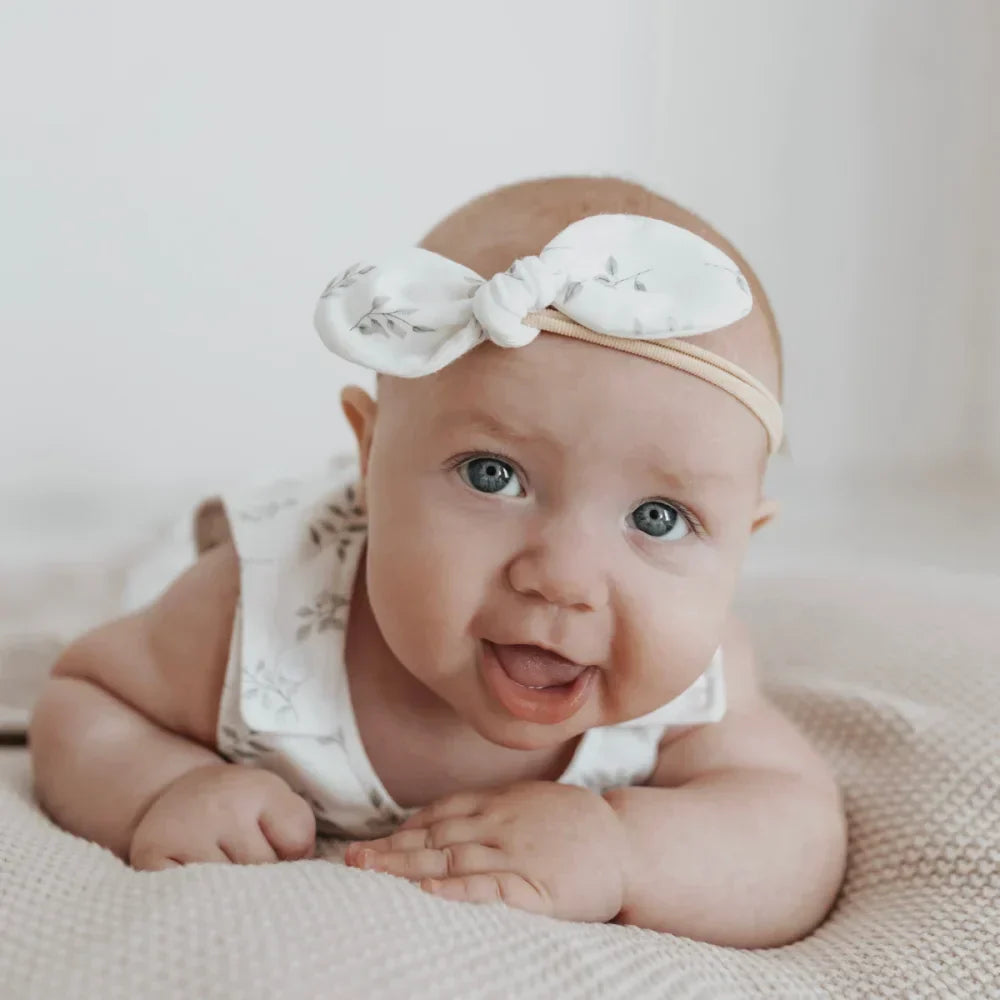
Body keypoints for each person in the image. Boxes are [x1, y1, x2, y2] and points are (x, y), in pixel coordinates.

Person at [29, 176, 846, 946]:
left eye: (659, 519)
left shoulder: (696, 687)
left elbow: (795, 832)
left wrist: (628, 849)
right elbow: (83, 696)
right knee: (176, 554)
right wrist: (161, 788)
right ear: (372, 453)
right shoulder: (257, 607)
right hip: (268, 556)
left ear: (743, 543)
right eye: (494, 475)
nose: (562, 577)